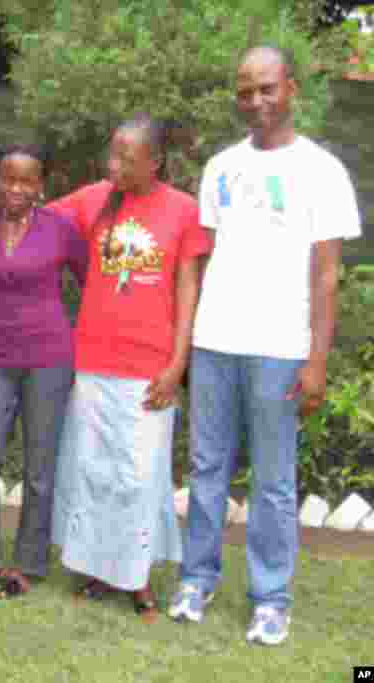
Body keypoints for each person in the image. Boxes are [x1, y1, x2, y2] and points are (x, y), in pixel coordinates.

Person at [170, 46, 362, 646]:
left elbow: (327, 273)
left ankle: (270, 598)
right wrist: (187, 340)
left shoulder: (322, 170)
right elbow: (200, 262)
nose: (255, 101)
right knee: (205, 469)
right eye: (246, 91)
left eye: (267, 89)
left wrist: (317, 359)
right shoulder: (221, 167)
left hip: (279, 345)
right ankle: (196, 580)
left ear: (291, 89)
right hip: (215, 341)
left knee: (274, 481)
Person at [48, 114, 211, 621]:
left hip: (150, 365)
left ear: (155, 161)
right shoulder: (92, 198)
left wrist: (178, 363)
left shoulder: (183, 210)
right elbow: (34, 218)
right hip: (94, 357)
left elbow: (188, 289)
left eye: (126, 157)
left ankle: (136, 578)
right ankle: (97, 570)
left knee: (140, 476)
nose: (113, 165)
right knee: (95, 470)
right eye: (112, 154)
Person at [0, 144, 87, 598]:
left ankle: (29, 564)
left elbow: (92, 284)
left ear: (40, 186)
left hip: (50, 358)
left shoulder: (60, 230)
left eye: (26, 180)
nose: (16, 188)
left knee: (39, 469)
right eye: (8, 178)